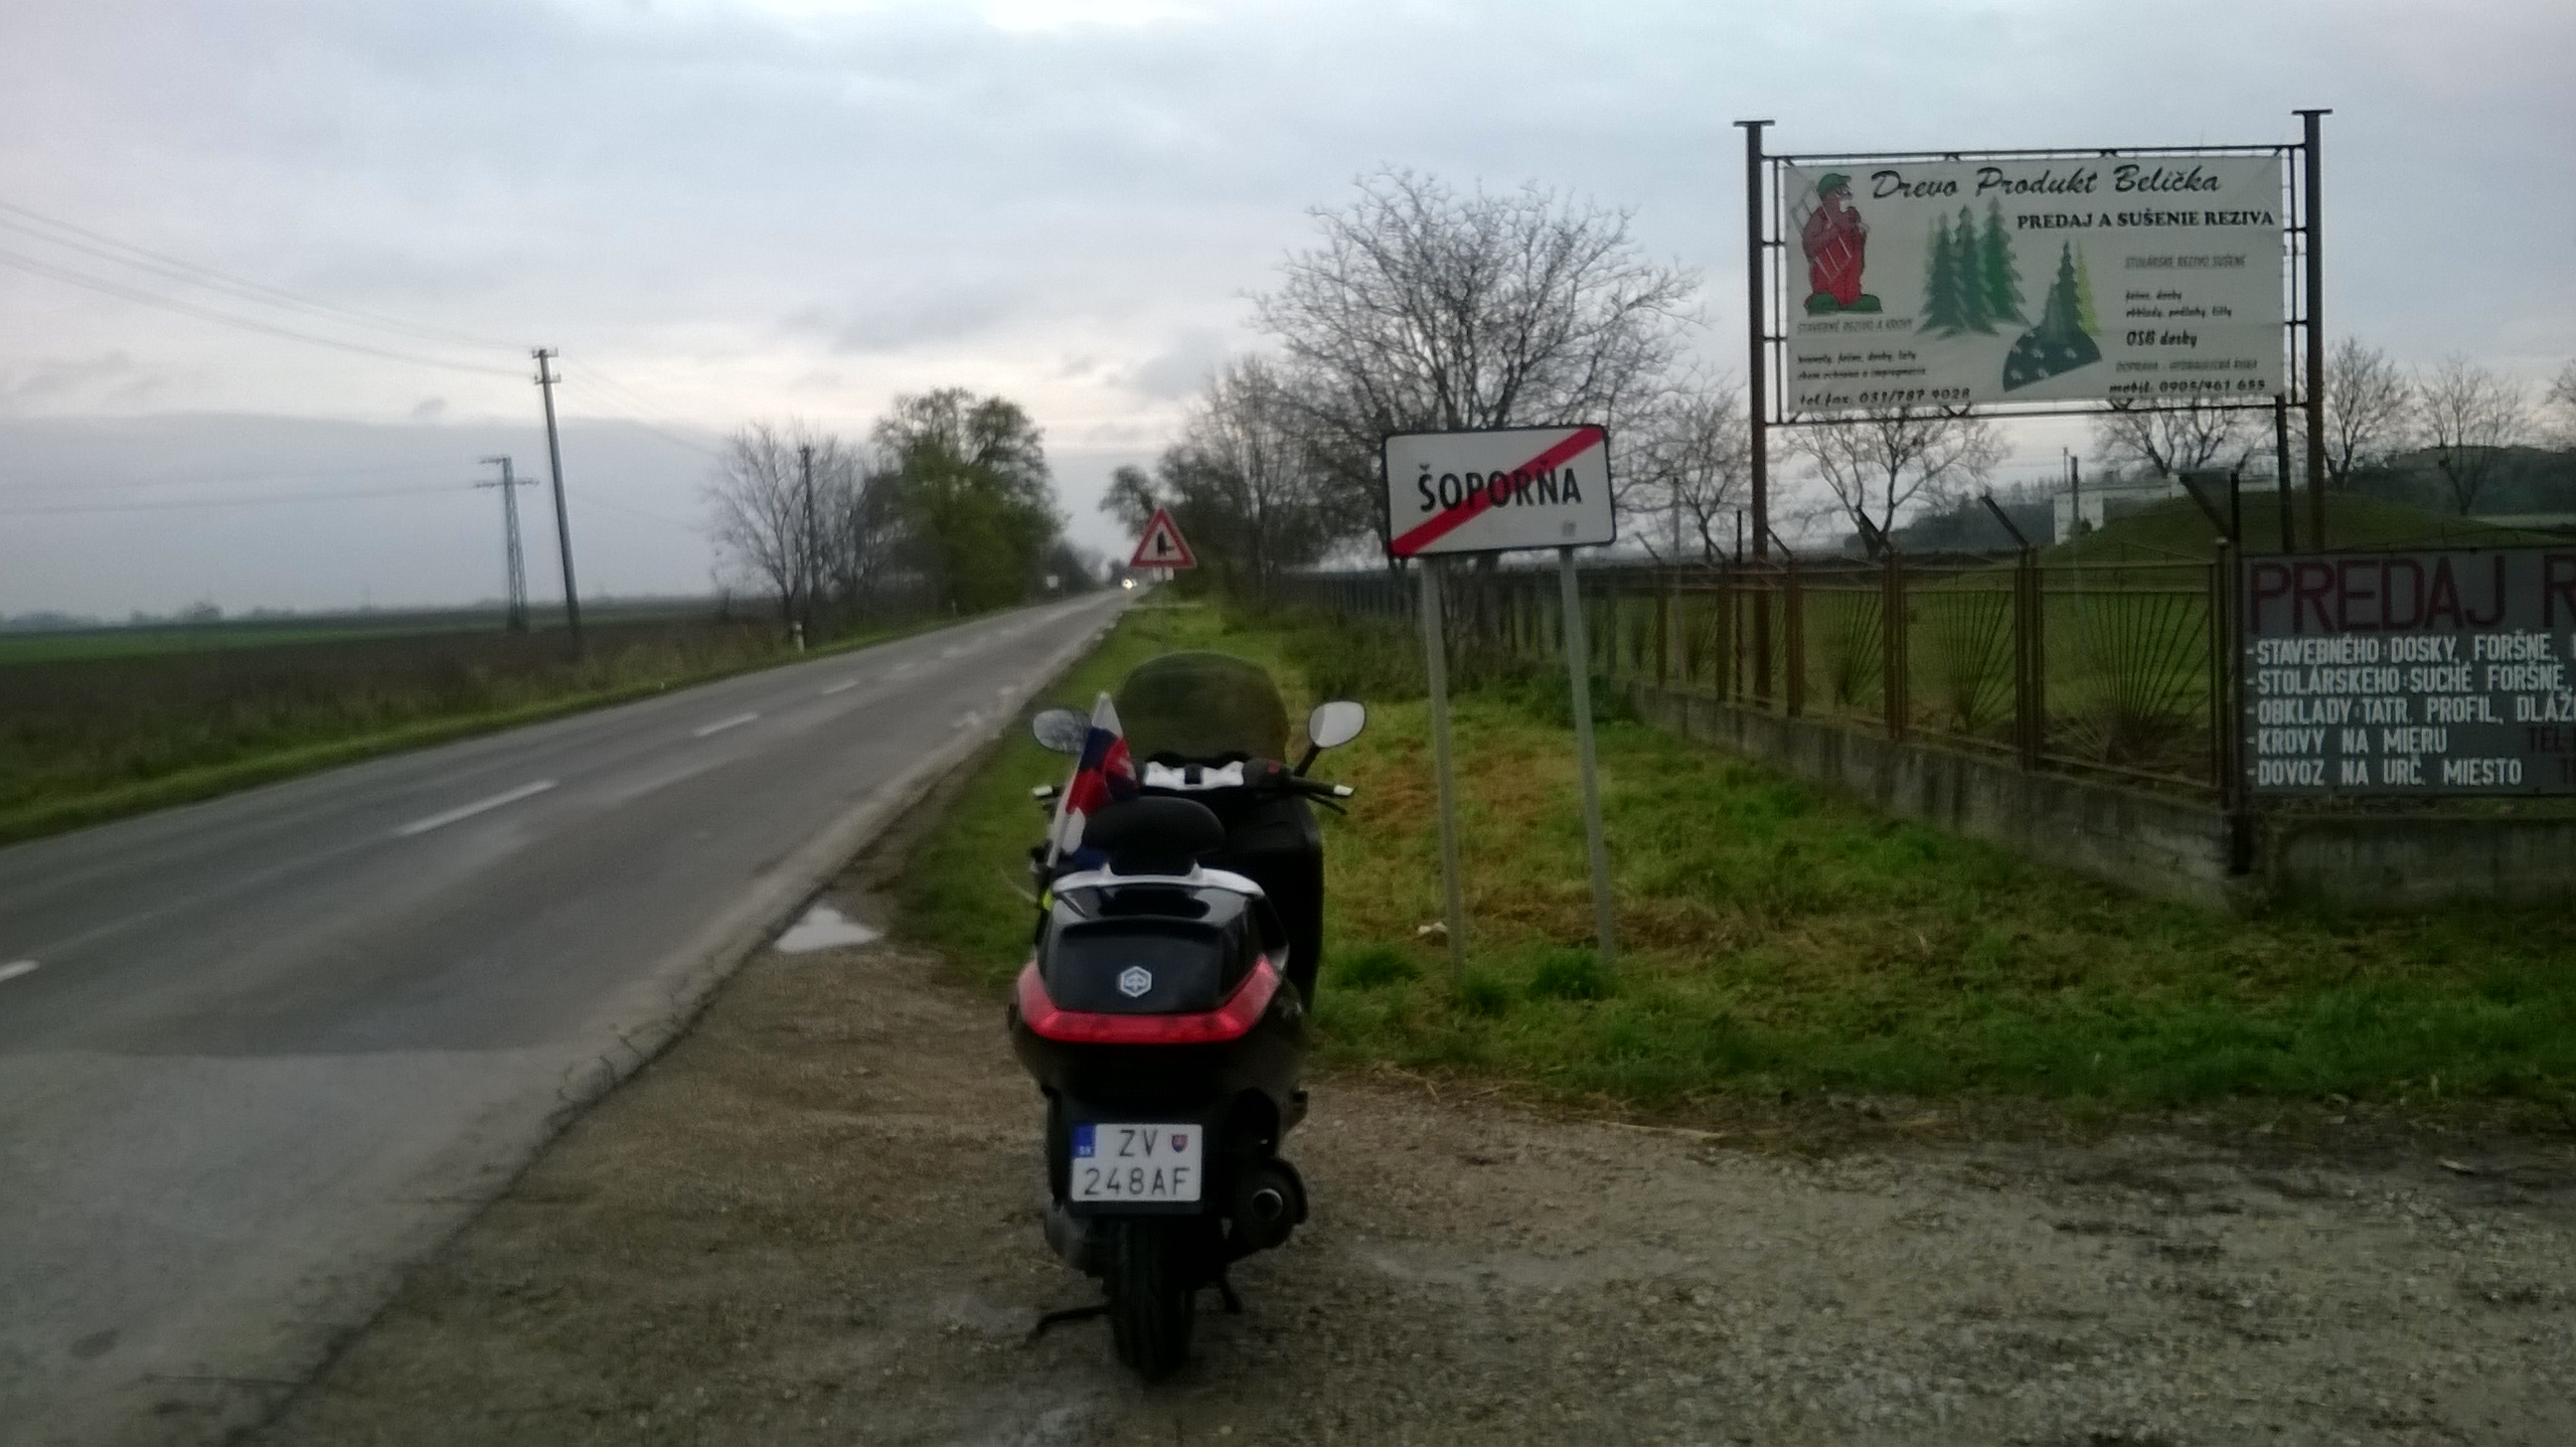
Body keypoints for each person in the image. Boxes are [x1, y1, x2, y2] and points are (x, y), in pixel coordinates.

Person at [1801, 172, 1877, 314]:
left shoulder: (1852, 216)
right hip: (1828, 277)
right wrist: (1829, 234)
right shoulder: (1820, 218)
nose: (1845, 196)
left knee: (1865, 301)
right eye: (1840, 191)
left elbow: (1857, 246)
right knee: (1827, 299)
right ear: (1826, 197)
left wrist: (1861, 236)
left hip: (1851, 280)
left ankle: (1851, 301)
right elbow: (1809, 246)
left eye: (1846, 190)